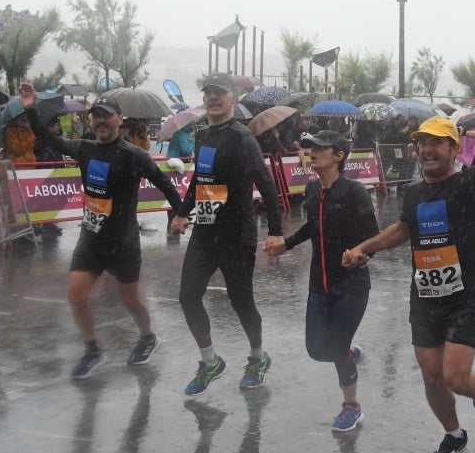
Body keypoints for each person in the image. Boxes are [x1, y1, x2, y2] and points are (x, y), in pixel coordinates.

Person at [342, 76, 475, 453]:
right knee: (432, 377)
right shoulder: (415, 192)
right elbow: (403, 230)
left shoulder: (470, 182)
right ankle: (454, 436)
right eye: (422, 143)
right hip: (424, 298)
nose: (427, 149)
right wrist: (364, 249)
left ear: (454, 147)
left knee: (456, 377)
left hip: (463, 298)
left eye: (436, 142)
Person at [19, 83, 183, 379]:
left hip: (123, 243)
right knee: (75, 296)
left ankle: (148, 337)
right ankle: (92, 349)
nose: (101, 121)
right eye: (96, 116)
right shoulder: (85, 149)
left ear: (120, 118)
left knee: (130, 300)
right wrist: (30, 109)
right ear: (91, 121)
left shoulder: (134, 155)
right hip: (91, 239)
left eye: (106, 115)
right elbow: (46, 138)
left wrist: (180, 215)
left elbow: (164, 183)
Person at [170, 73, 285, 396]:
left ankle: (257, 358)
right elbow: (199, 180)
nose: (213, 98)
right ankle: (209, 362)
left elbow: (266, 184)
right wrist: (182, 212)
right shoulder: (203, 135)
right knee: (187, 296)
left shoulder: (242, 138)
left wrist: (275, 231)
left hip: (236, 234)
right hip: (206, 233)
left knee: (241, 301)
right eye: (208, 93)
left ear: (232, 98)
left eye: (220, 93)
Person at [265, 131, 379, 433]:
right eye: (310, 147)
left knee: (338, 347)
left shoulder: (355, 191)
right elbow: (312, 226)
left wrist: (360, 255)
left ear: (339, 155)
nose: (311, 152)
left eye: (319, 148)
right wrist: (286, 244)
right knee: (316, 349)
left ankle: (351, 406)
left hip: (351, 285)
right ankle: (349, 353)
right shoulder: (312, 188)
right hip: (320, 284)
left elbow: (374, 237)